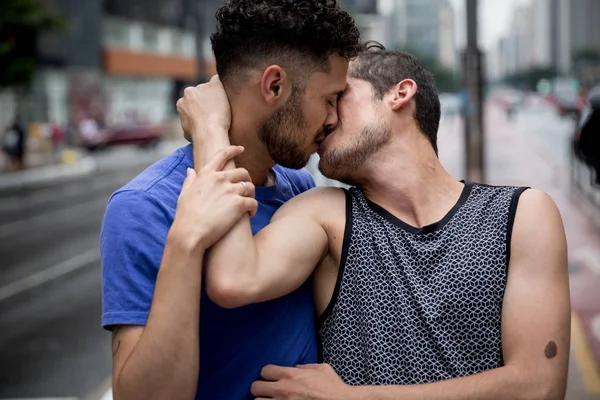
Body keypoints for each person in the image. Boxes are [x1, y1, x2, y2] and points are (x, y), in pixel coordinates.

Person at [185, 47, 571, 399]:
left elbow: (538, 387)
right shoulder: (325, 213)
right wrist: (211, 131)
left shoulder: (521, 214)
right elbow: (233, 278)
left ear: (399, 93)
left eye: (338, 97)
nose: (326, 117)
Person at [100, 1, 360, 399]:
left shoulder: (300, 189)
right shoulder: (146, 206)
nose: (333, 118)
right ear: (274, 86)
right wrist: (185, 243)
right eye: (329, 98)